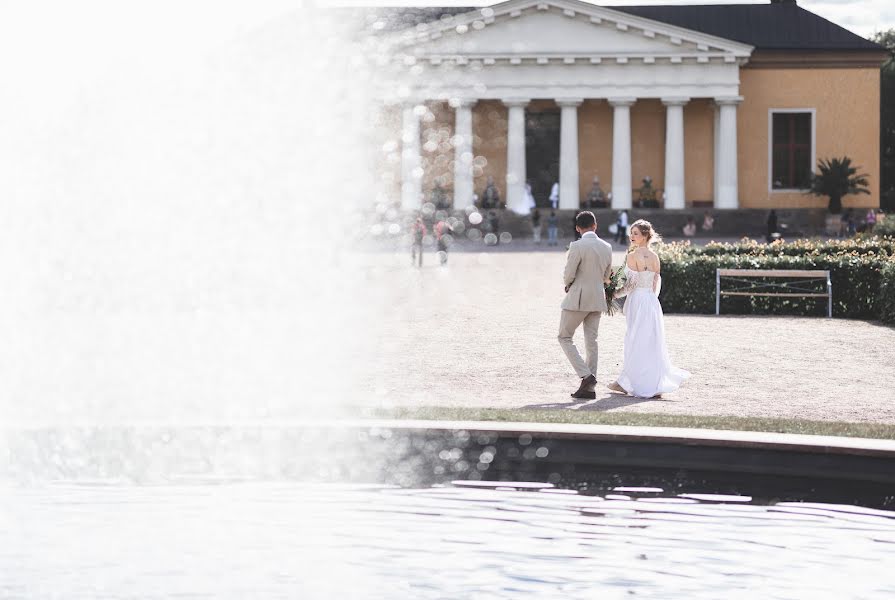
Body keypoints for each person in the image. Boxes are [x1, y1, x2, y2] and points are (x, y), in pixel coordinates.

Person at [607, 220, 690, 399]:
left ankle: (629, 382)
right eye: (631, 233)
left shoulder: (632, 255)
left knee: (635, 340)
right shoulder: (654, 257)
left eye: (636, 233)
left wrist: (613, 294)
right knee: (651, 341)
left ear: (645, 236)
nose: (632, 236)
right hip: (651, 302)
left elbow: (630, 285)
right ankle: (650, 382)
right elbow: (655, 283)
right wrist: (651, 299)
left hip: (638, 300)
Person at [558, 211, 614, 399]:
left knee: (564, 337)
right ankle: (589, 389)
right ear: (595, 226)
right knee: (592, 343)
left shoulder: (577, 246)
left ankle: (586, 376)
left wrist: (568, 284)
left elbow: (569, 273)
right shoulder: (607, 247)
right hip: (597, 298)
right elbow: (607, 277)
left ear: (577, 228)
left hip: (578, 298)